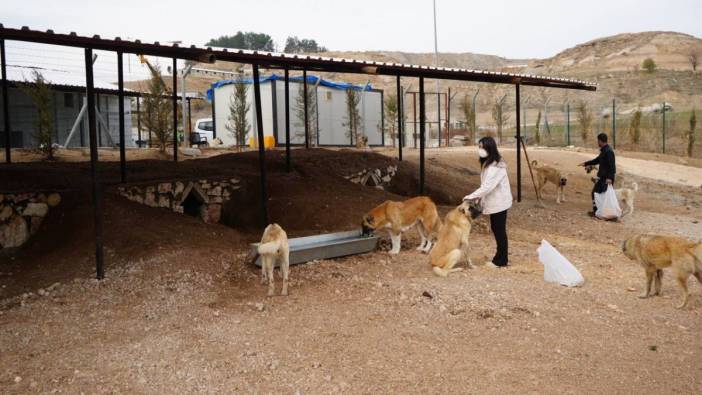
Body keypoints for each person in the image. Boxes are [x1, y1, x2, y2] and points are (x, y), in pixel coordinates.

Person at [463, 137, 512, 268]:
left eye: (483, 147)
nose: (480, 150)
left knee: (499, 230)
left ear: (490, 148)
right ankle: (501, 258)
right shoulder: (489, 163)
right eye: (479, 147)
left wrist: (470, 197)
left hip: (500, 202)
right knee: (497, 229)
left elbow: (487, 187)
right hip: (496, 201)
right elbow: (486, 186)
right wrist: (479, 198)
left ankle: (501, 261)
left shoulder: (496, 166)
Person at [579, 133, 616, 216]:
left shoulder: (608, 151)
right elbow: (597, 160)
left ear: (600, 141)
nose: (597, 143)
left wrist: (610, 178)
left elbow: (612, 166)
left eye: (598, 141)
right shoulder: (604, 151)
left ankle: (603, 213)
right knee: (597, 194)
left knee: (601, 194)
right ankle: (599, 212)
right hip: (602, 177)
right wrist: (585, 163)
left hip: (606, 178)